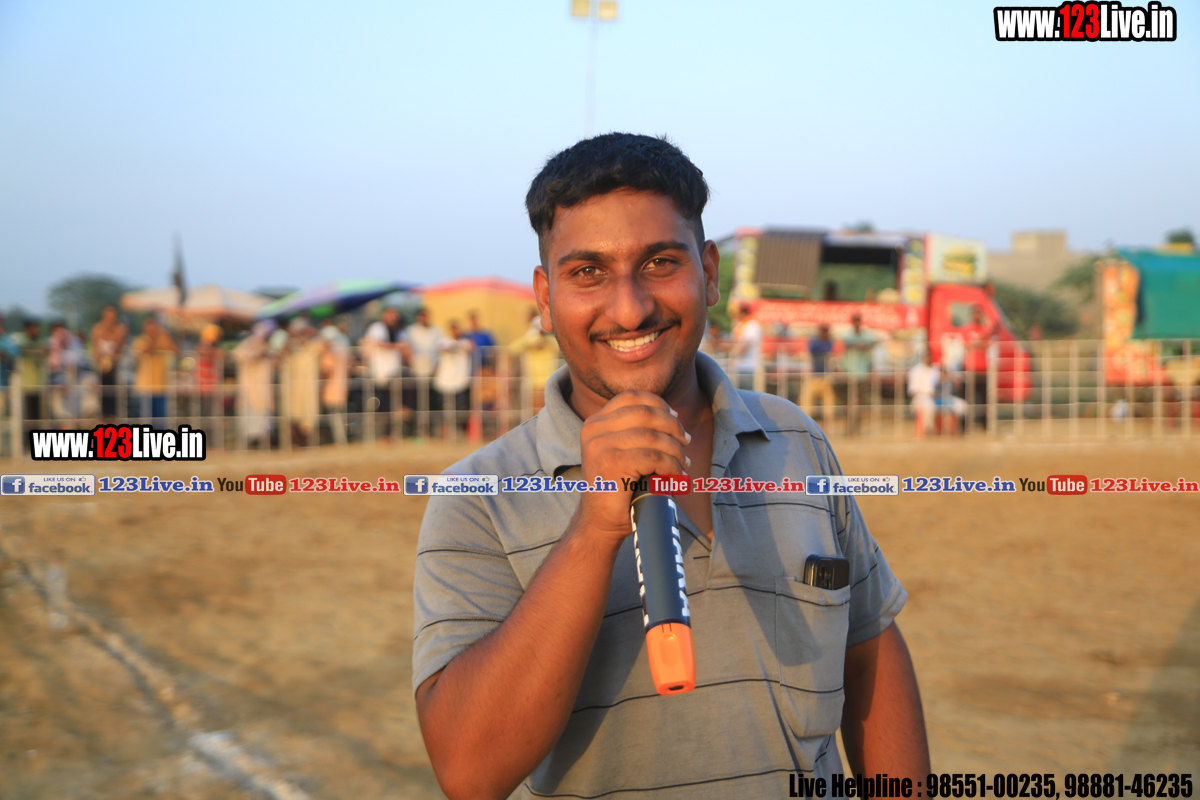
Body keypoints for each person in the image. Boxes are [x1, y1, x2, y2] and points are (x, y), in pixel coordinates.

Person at [413, 133, 928, 800]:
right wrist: (593, 530)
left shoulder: (795, 439)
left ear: (709, 273)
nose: (630, 308)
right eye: (588, 272)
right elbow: (468, 770)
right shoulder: (479, 497)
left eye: (659, 263)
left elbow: (869, 650)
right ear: (544, 299)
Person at [362, 307, 405, 440]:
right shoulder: (377, 328)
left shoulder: (398, 330)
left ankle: (391, 432)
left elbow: (405, 346)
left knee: (394, 404)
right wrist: (397, 347)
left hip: (394, 373)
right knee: (385, 404)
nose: (393, 318)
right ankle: (385, 434)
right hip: (380, 373)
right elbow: (380, 344)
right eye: (390, 315)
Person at [231, 321, 275, 449]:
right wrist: (256, 353)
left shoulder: (267, 346)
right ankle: (251, 442)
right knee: (249, 414)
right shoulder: (249, 343)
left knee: (263, 414)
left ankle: (264, 440)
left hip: (263, 387)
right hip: (249, 387)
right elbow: (237, 355)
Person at [906, 350, 966, 437]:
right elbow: (912, 390)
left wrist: (950, 378)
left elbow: (947, 378)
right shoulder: (915, 371)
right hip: (922, 397)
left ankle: (956, 429)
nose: (929, 359)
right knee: (929, 406)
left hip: (941, 397)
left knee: (961, 405)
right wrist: (929, 393)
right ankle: (929, 429)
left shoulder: (937, 368)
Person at [432, 319, 474, 439]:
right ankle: (445, 431)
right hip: (444, 380)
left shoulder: (465, 341)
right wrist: (456, 346)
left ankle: (458, 431)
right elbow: (442, 348)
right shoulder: (443, 340)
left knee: (460, 407)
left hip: (460, 381)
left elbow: (470, 347)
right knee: (444, 408)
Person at [90, 305, 128, 420]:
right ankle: (102, 415)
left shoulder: (120, 329)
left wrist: (113, 356)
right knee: (101, 390)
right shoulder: (98, 328)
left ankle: (113, 416)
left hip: (116, 366)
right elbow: (95, 347)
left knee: (114, 391)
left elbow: (120, 345)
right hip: (101, 365)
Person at [841, 314, 875, 435]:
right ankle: (848, 429)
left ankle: (857, 429)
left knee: (859, 402)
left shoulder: (867, 336)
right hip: (849, 373)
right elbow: (848, 345)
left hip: (861, 374)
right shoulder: (847, 335)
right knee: (848, 403)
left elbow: (869, 346)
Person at [800, 323, 837, 425]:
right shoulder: (815, 342)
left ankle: (827, 425)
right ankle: (806, 424)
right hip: (813, 377)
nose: (825, 333)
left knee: (828, 405)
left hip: (825, 377)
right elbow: (813, 349)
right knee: (807, 403)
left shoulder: (828, 342)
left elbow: (828, 350)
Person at [727, 300, 762, 389]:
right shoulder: (740, 324)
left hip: (748, 366)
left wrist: (734, 355)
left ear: (742, 313)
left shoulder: (752, 324)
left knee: (746, 393)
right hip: (737, 366)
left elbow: (747, 344)